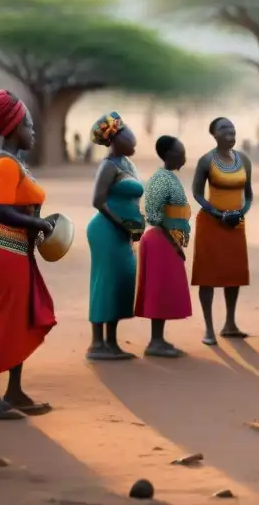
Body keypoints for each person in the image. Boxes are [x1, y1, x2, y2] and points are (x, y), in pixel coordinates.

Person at [0, 90, 57, 419]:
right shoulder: (6, 164)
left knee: (18, 317)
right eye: (29, 126)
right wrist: (37, 222)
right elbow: (1, 211)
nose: (33, 132)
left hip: (14, 247)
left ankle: (14, 392)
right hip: (0, 247)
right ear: (13, 127)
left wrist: (36, 225)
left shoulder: (12, 162)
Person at [191, 117, 254, 346]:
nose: (230, 131)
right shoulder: (207, 160)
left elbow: (249, 194)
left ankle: (230, 323)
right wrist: (218, 214)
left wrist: (241, 212)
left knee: (234, 274)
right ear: (214, 135)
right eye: (223, 128)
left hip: (236, 223)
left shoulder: (244, 160)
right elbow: (197, 193)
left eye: (232, 127)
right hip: (211, 223)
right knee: (207, 276)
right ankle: (209, 328)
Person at [86, 112, 143, 361]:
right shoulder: (108, 165)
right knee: (105, 282)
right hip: (106, 231)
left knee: (122, 282)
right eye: (128, 134)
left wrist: (135, 224)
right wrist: (122, 224)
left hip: (123, 232)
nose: (134, 139)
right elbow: (98, 200)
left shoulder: (127, 164)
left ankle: (112, 342)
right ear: (116, 137)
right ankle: (97, 344)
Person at [135, 135, 193, 357]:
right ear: (169, 155)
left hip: (166, 239)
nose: (184, 158)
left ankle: (158, 339)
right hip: (161, 240)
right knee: (159, 290)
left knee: (166, 289)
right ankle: (155, 342)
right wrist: (174, 242)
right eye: (181, 153)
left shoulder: (168, 177)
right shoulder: (161, 179)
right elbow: (154, 215)